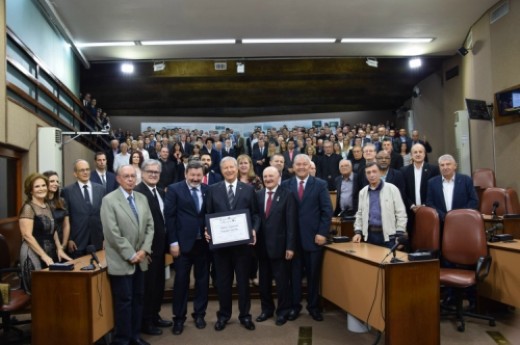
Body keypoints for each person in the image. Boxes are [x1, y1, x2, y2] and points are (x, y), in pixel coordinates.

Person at [100, 165, 155, 345]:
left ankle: (134, 336)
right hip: (122, 260)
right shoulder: (109, 200)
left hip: (141, 259)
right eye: (126, 176)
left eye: (133, 176)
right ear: (118, 179)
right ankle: (122, 340)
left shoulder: (142, 198)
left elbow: (150, 227)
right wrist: (131, 254)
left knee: (138, 299)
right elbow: (112, 233)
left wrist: (144, 251)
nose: (130, 179)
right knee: (124, 302)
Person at [205, 157, 260, 331]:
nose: (229, 170)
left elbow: (256, 215)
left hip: (242, 247)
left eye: (232, 167)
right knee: (223, 283)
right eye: (225, 168)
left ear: (237, 168)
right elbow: (208, 214)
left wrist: (254, 230)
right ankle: (224, 315)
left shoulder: (248, 190)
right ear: (221, 170)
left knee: (243, 283)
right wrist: (207, 230)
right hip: (221, 248)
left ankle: (245, 316)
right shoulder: (213, 190)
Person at [282, 154, 333, 322]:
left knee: (313, 276)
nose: (302, 167)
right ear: (293, 166)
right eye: (298, 164)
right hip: (293, 241)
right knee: (294, 276)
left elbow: (327, 211)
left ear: (309, 166)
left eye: (305, 164)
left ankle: (313, 306)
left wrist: (322, 233)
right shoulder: (285, 185)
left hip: (314, 239)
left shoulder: (320, 185)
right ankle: (295, 307)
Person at [165, 161, 210, 335]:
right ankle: (179, 318)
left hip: (203, 245)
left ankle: (199, 314)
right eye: (192, 175)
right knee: (181, 283)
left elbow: (210, 214)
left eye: (199, 175)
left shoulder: (208, 189)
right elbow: (169, 217)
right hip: (182, 246)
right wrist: (173, 242)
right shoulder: (174, 189)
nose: (196, 178)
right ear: (186, 174)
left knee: (202, 281)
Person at [134, 160, 172, 336]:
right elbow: (134, 225)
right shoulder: (137, 193)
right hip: (147, 250)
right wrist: (143, 248)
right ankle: (145, 322)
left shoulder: (160, 192)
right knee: (147, 288)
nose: (154, 174)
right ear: (142, 173)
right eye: (150, 171)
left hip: (160, 248)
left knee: (158, 286)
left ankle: (154, 315)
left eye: (157, 172)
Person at [255, 167, 296, 326]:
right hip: (261, 248)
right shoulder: (257, 195)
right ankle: (266, 310)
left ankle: (283, 311)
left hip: (280, 247)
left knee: (282, 283)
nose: (268, 179)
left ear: (278, 177)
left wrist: (290, 247)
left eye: (271, 176)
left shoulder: (287, 195)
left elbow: (291, 223)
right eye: (265, 176)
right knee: (264, 283)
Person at [19, 173, 71, 293]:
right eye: (37, 186)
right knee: (39, 291)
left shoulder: (46, 205)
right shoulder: (28, 208)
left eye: (43, 185)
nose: (42, 188)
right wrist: (43, 255)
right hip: (33, 253)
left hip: (49, 250)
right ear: (30, 191)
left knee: (51, 288)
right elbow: (26, 235)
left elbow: (53, 231)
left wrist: (59, 249)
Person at [352, 162, 408, 248]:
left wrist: (399, 234)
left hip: (389, 237)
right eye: (368, 172)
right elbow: (359, 214)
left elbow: (401, 214)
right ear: (366, 175)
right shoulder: (363, 192)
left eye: (374, 171)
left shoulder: (392, 189)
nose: (372, 175)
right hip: (370, 236)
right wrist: (358, 232)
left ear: (380, 173)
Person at [62, 159, 106, 258]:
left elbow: (106, 215)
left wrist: (106, 238)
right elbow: (66, 218)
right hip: (77, 243)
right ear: (75, 174)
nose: (85, 172)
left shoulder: (101, 189)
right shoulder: (67, 191)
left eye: (87, 169)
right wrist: (69, 239)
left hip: (98, 241)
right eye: (82, 170)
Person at [401, 143, 440, 236]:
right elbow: (403, 191)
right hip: (410, 211)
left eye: (420, 152)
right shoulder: (404, 170)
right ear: (411, 155)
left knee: (428, 237)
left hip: (428, 210)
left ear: (424, 154)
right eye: (415, 152)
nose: (418, 154)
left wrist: (424, 205)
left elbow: (435, 190)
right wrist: (412, 206)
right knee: (411, 238)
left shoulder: (434, 169)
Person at [426, 154, 479, 222]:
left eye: (448, 164)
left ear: (455, 166)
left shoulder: (466, 180)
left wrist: (459, 215)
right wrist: (443, 216)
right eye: (442, 165)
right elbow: (429, 203)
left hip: (463, 221)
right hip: (441, 222)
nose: (445, 167)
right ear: (439, 167)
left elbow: (474, 201)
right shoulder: (432, 183)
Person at [42, 171, 70, 249]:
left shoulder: (62, 201)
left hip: (61, 243)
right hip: (44, 244)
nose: (56, 184)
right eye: (52, 181)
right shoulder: (40, 202)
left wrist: (64, 245)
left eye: (57, 181)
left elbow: (66, 225)